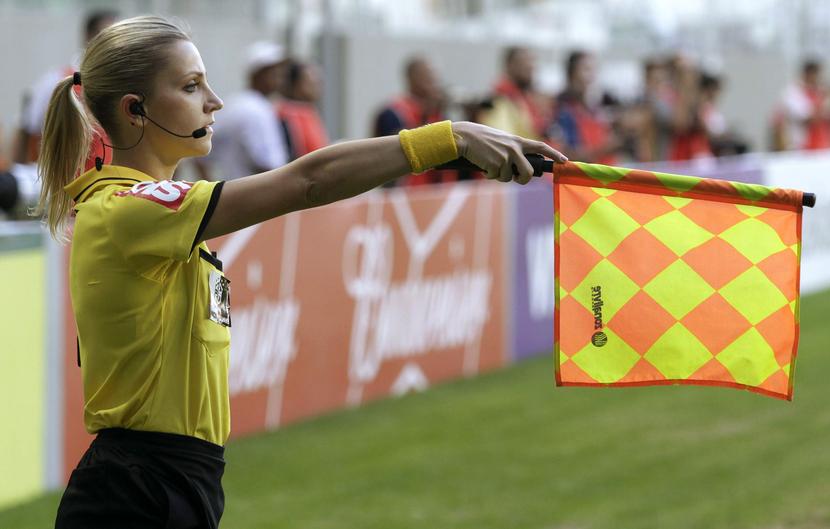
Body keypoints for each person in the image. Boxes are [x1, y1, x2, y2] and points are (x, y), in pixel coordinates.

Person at [35, 16, 564, 528]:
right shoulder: (126, 209)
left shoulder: (147, 211)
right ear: (136, 110)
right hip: (138, 488)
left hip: (175, 480)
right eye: (192, 87)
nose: (215, 101)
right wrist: (449, 139)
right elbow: (309, 181)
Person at [14, 9, 117, 166]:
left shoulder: (124, 85)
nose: (114, 44)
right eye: (107, 36)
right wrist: (19, 173)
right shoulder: (56, 80)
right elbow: (26, 129)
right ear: (88, 36)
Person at [201, 41, 289, 180]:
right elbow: (266, 163)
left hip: (237, 194)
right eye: (274, 71)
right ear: (258, 74)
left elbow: (200, 157)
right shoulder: (254, 109)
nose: (280, 77)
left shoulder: (239, 104)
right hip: (258, 196)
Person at [373, 56, 452, 185]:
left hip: (436, 190)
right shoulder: (392, 112)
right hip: (405, 193)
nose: (434, 81)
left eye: (434, 76)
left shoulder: (438, 111)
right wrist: (426, 115)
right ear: (411, 77)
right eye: (427, 76)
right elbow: (395, 151)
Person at [550, 50, 625, 165]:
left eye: (594, 70)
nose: (592, 76)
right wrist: (605, 148)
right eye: (586, 69)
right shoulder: (561, 108)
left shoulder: (597, 105)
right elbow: (564, 155)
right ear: (571, 73)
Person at [770, 58, 830, 151]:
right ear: (806, 74)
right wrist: (828, 95)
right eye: (815, 75)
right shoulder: (792, 93)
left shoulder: (821, 91)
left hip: (827, 146)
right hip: (802, 148)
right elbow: (809, 120)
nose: (818, 79)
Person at [276, 59, 329, 160]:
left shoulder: (307, 111)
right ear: (295, 84)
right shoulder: (288, 113)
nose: (316, 87)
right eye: (310, 82)